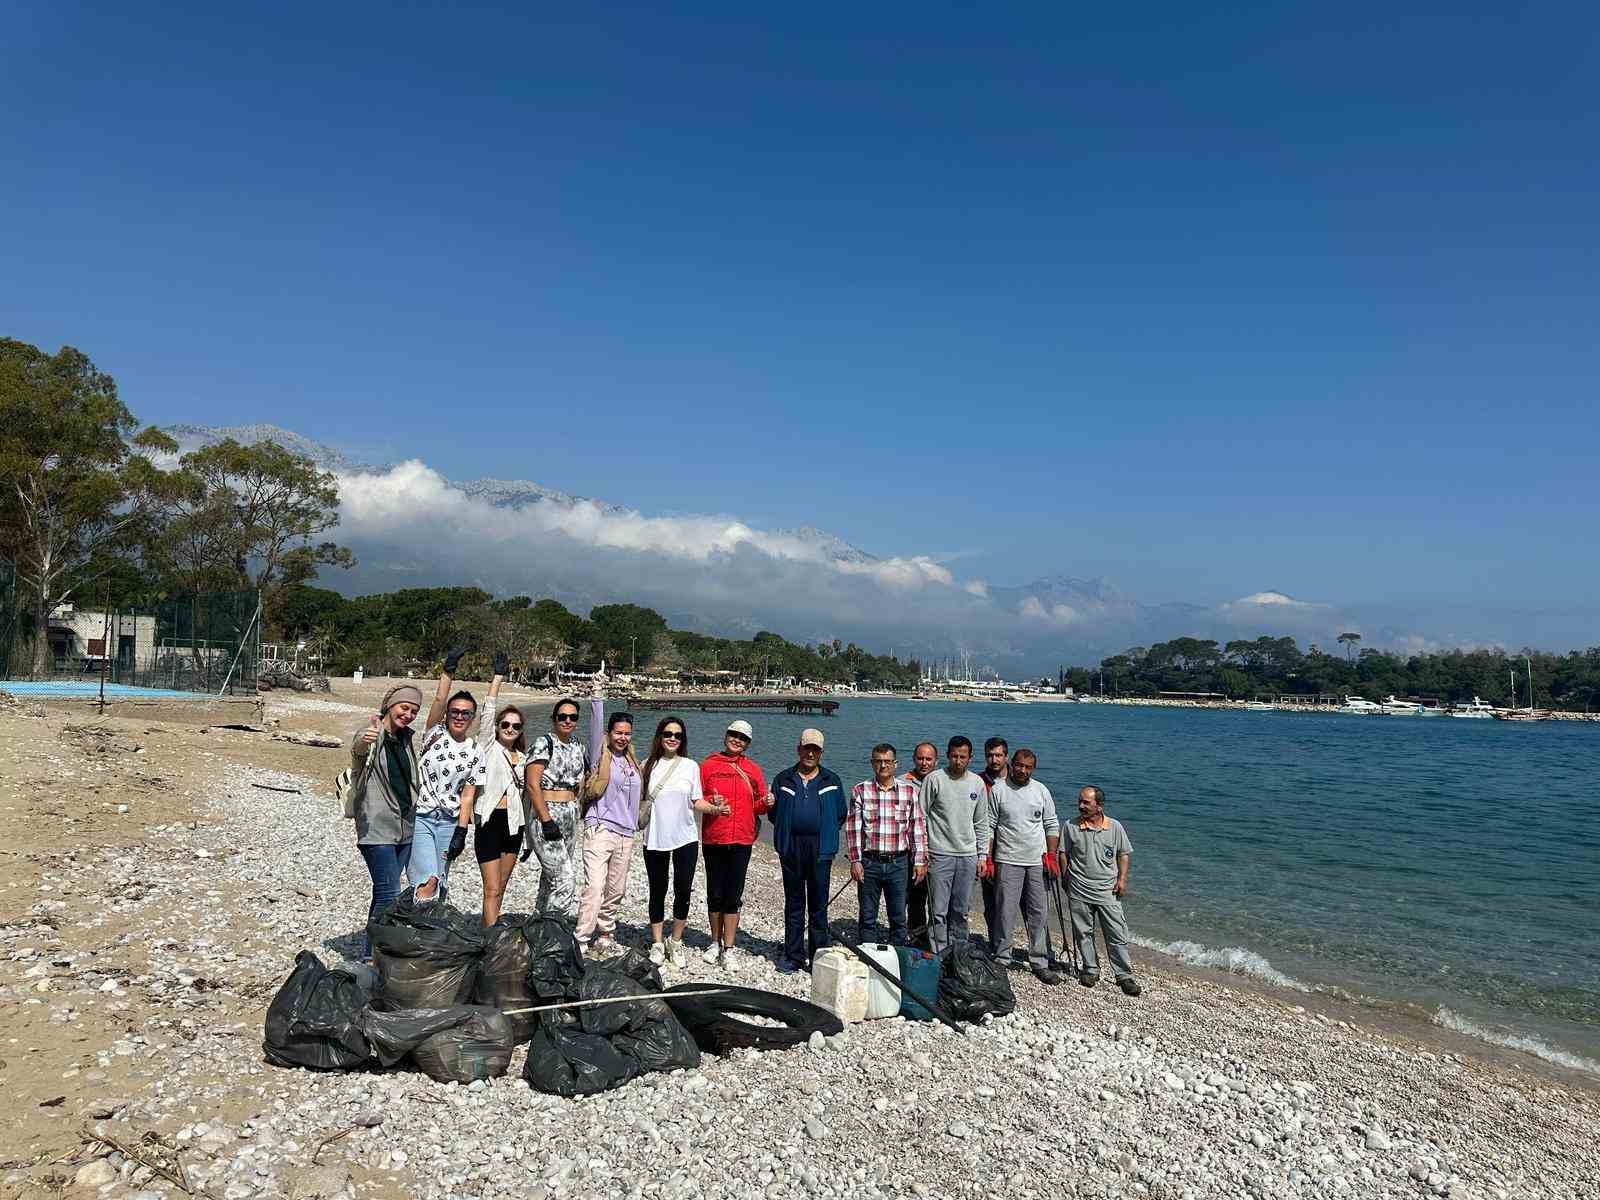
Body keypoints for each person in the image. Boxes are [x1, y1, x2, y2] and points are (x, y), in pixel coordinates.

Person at [411, 648, 506, 902]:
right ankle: (414, 930)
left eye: (466, 713)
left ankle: (430, 933)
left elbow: (467, 797)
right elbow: (439, 700)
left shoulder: (476, 752)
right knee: (425, 879)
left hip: (449, 822)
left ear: (472, 717)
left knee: (441, 879)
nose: (459, 716)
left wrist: (461, 833)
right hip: (421, 817)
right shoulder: (434, 734)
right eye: (455, 712)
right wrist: (448, 671)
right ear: (448, 715)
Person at [350, 684, 422, 958]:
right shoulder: (372, 733)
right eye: (404, 708)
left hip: (405, 827)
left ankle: (371, 951)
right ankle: (373, 956)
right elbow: (357, 751)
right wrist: (364, 740)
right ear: (390, 706)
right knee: (389, 891)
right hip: (377, 827)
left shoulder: (406, 739)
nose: (408, 714)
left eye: (413, 710)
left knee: (383, 892)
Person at [768, 728, 847, 973]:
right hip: (791, 848)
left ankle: (818, 956)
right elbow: (774, 814)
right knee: (793, 903)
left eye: (815, 749)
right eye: (806, 748)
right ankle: (793, 955)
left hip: (821, 849)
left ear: (821, 752)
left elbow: (841, 814)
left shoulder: (832, 781)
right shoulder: (783, 779)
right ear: (798, 749)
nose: (810, 753)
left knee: (818, 905)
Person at [639, 716, 714, 969]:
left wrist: (715, 809)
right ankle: (658, 943)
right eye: (668, 733)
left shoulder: (691, 766)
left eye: (677, 735)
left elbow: (696, 802)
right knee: (657, 889)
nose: (672, 738)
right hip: (655, 836)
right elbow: (632, 798)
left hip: (685, 837)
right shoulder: (647, 765)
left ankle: (676, 941)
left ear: (683, 740)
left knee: (683, 889)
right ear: (659, 736)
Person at [984, 748, 1064, 985]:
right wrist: (988, 858)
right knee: (1005, 912)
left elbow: (1051, 824)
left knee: (1038, 912)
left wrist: (1051, 854)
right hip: (1007, 859)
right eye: (1019, 765)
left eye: (1028, 767)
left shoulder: (1041, 790)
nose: (1023, 770)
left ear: (1033, 768)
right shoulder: (999, 790)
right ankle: (1002, 957)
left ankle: (1039, 960)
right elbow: (989, 826)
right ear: (1012, 763)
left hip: (1037, 861)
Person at [698, 719, 770, 966]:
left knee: (733, 895)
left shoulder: (753, 769)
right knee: (714, 893)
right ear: (726, 735)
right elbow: (696, 797)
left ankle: (729, 948)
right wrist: (711, 800)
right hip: (714, 837)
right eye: (733, 734)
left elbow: (758, 805)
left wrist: (768, 803)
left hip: (741, 838)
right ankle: (713, 942)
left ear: (747, 744)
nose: (737, 740)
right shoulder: (708, 765)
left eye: (742, 738)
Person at [1059, 785, 1141, 995]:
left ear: (1099, 806)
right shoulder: (1070, 826)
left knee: (1116, 933)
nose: (1080, 805)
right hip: (1079, 888)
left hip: (1107, 890)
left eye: (1086, 802)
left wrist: (1122, 880)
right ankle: (1090, 969)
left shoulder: (1114, 827)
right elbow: (1063, 853)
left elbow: (1123, 854)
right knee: (1083, 932)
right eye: (1080, 801)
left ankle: (1123, 975)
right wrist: (1065, 876)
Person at [452, 702, 528, 925]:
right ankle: (490, 941)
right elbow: (486, 716)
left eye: (516, 726)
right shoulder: (487, 748)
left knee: (501, 888)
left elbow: (527, 798)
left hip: (515, 824)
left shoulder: (524, 758)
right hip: (489, 822)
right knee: (492, 888)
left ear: (521, 730)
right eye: (505, 724)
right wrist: (497, 678)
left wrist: (530, 841)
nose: (510, 729)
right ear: (497, 726)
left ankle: (487, 930)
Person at [576, 697, 641, 955]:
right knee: (594, 886)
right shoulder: (599, 755)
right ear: (609, 733)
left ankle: (605, 932)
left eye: (627, 734)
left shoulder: (633, 761)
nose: (623, 738)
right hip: (600, 828)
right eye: (618, 732)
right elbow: (594, 728)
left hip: (626, 833)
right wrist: (597, 697)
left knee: (616, 889)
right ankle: (581, 937)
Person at [846, 743, 928, 945]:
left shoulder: (909, 792)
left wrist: (919, 861)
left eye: (887, 761)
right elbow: (853, 829)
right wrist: (855, 861)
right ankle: (869, 958)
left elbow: (916, 827)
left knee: (898, 917)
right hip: (870, 862)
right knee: (867, 916)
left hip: (899, 863)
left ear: (896, 764)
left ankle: (898, 960)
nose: (883, 765)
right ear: (872, 763)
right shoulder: (860, 790)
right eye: (878, 761)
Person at [917, 735, 991, 952]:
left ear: (970, 758)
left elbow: (981, 821)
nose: (958, 761)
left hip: (968, 856)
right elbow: (922, 816)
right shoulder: (934, 779)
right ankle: (939, 951)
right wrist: (923, 851)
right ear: (947, 756)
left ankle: (959, 951)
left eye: (963, 757)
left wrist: (982, 855)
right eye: (954, 756)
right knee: (938, 909)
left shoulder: (977, 783)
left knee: (961, 909)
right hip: (939, 853)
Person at [525, 697, 588, 921]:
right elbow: (532, 784)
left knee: (551, 877)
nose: (567, 721)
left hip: (571, 814)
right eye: (562, 716)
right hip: (547, 814)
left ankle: (540, 921)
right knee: (564, 878)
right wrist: (546, 819)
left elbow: (585, 779)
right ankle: (555, 927)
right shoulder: (544, 743)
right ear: (554, 719)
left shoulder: (578, 745)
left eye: (573, 717)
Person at [900, 742, 939, 949]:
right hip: (909, 850)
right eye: (920, 758)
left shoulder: (941, 781)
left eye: (929, 759)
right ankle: (906, 934)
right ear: (914, 759)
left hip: (936, 850)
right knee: (909, 895)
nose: (924, 763)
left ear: (936, 761)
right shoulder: (903, 783)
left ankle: (927, 936)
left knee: (932, 898)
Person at [978, 736, 1009, 949]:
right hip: (986, 849)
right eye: (990, 755)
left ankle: (1042, 952)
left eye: (998, 755)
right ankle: (995, 944)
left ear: (1006, 756)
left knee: (1026, 903)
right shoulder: (978, 781)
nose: (994, 759)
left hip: (1014, 850)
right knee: (991, 902)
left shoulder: (1016, 780)